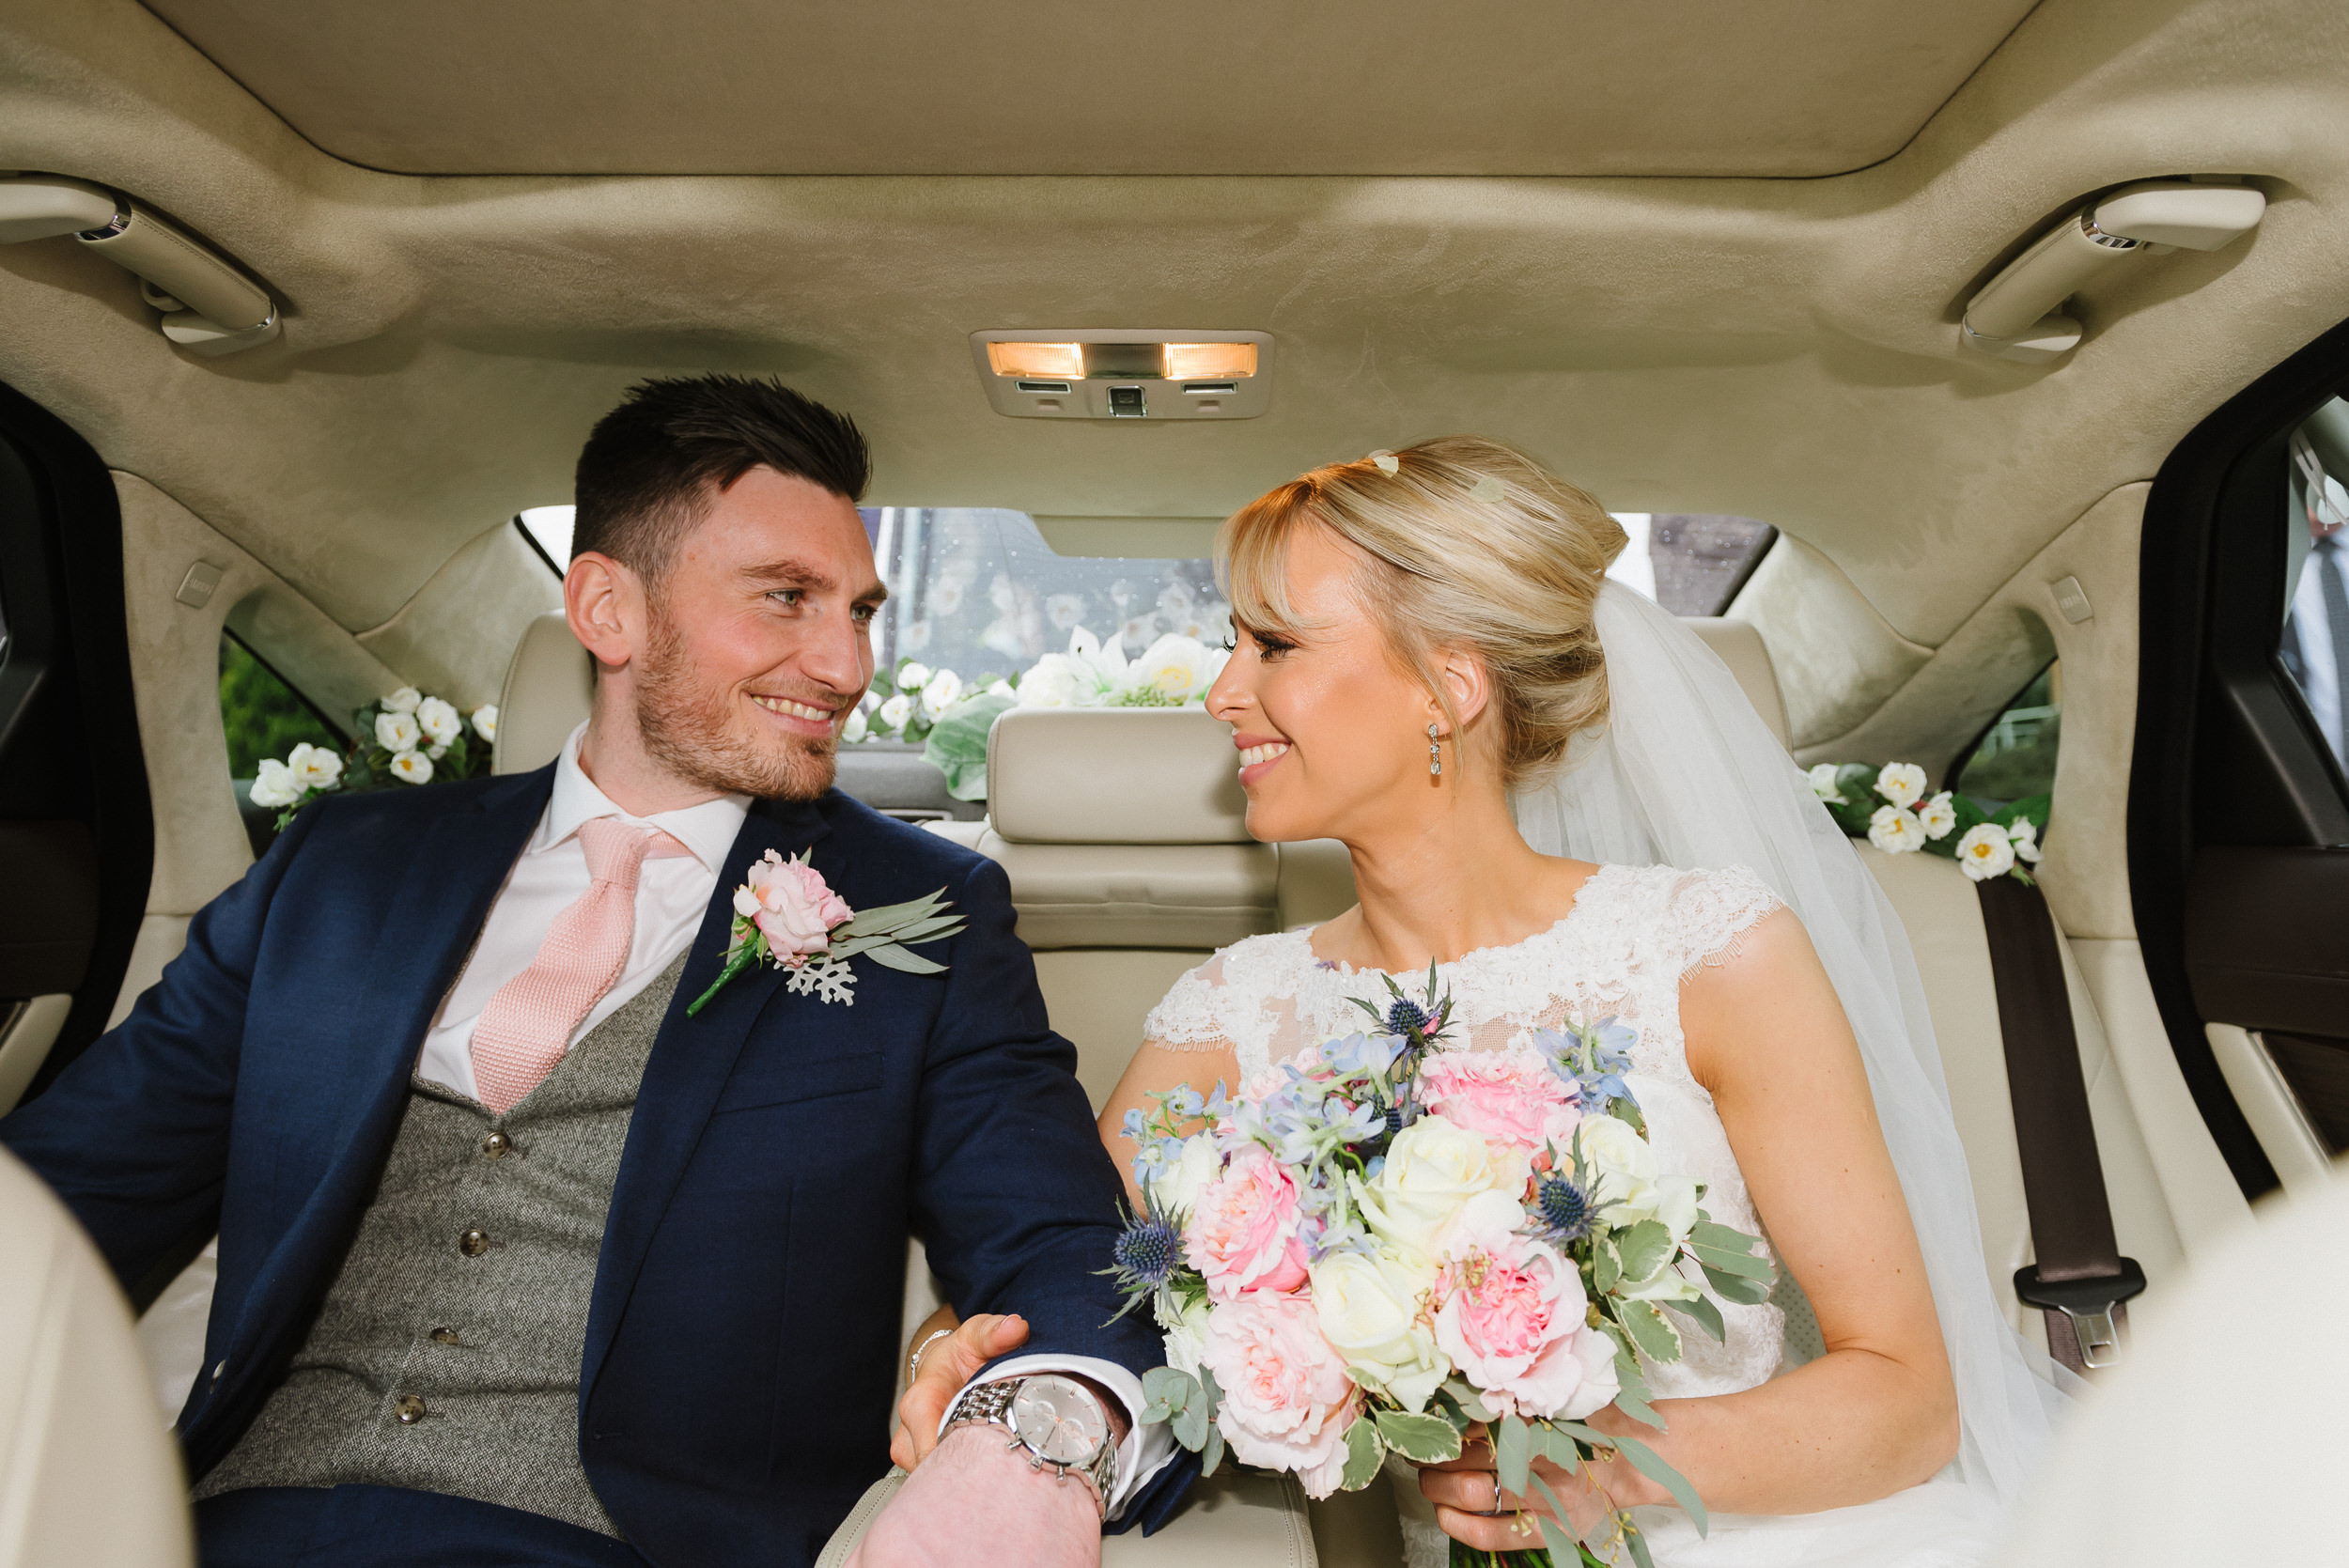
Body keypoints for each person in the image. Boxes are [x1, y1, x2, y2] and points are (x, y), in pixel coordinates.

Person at [0, 376, 1187, 1568]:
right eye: (787, 599)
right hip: (221, 1527)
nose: (845, 663)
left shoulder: (922, 914)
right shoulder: (341, 865)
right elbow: (64, 1195)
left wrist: (1045, 1442)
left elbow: (1060, 1247)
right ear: (607, 609)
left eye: (861, 611)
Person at [903, 438, 2067, 1566]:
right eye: (1230, 645)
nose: (1222, 691)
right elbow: (1063, 1288)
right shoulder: (1228, 1012)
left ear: (1446, 687)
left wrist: (1619, 1459)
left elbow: (1906, 1401)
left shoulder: (1709, 951)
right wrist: (963, 1355)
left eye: (1273, 645)